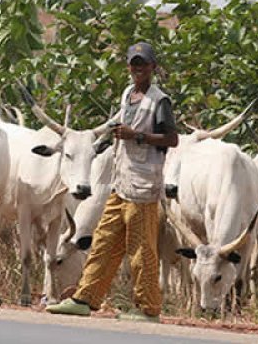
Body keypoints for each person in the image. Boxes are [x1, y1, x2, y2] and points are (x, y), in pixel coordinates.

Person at [46, 41, 179, 322]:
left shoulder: (160, 101)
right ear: (128, 66)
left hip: (143, 188)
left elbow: (172, 139)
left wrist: (136, 136)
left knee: (141, 250)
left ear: (153, 67)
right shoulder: (127, 95)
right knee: (104, 241)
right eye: (134, 63)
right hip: (120, 184)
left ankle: (149, 308)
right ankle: (84, 298)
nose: (137, 68)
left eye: (143, 63)